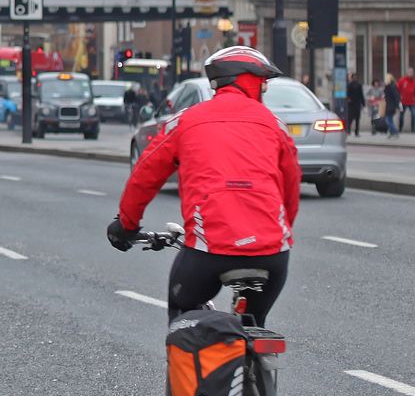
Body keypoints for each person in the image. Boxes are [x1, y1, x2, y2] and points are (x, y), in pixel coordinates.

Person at [106, 45, 299, 326]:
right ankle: (257, 362)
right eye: (263, 85)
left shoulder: (186, 121)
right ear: (252, 83)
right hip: (271, 254)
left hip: (210, 251)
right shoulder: (275, 125)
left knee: (183, 311)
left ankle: (199, 364)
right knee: (254, 323)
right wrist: (277, 229)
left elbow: (144, 177)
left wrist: (126, 225)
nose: (264, 92)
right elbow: (291, 188)